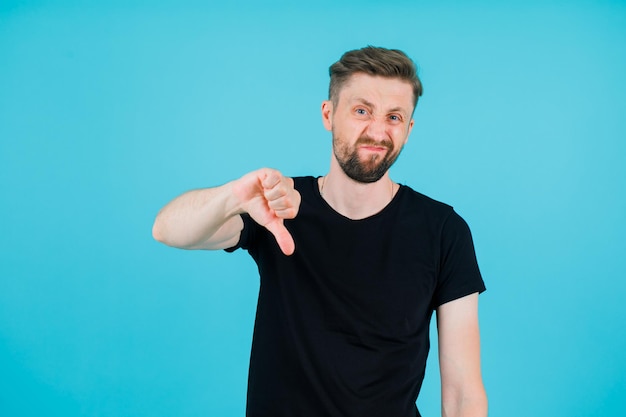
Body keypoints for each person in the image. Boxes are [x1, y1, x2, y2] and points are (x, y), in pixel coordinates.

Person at [152, 46, 487, 417]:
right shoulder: (276, 206)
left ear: (408, 130)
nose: (377, 131)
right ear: (328, 114)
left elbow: (462, 394)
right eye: (362, 111)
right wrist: (232, 197)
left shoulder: (443, 231)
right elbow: (167, 229)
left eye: (394, 117)